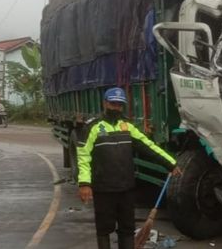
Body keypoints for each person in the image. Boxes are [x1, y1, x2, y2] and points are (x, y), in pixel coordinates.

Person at [77, 87, 181, 249]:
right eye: (113, 103)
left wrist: (170, 163)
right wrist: (84, 184)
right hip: (103, 189)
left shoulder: (127, 126)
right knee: (104, 229)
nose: (116, 107)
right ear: (105, 103)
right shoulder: (93, 127)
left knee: (127, 229)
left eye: (119, 105)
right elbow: (83, 157)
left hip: (126, 188)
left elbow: (149, 147)